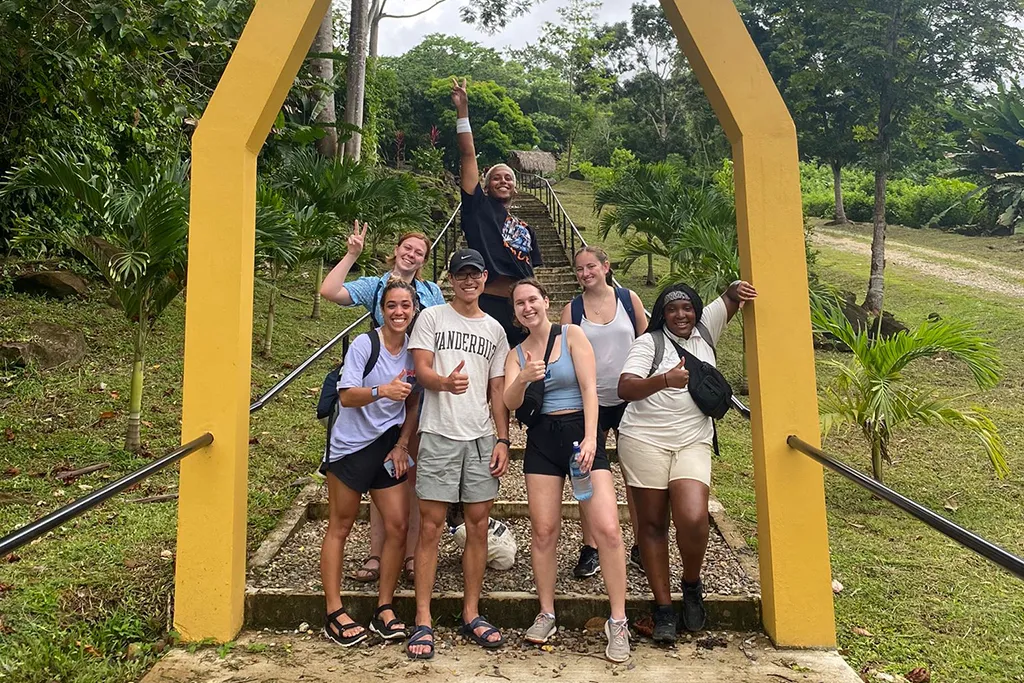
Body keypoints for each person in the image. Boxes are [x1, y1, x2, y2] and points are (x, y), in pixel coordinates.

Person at [616, 280, 757, 643]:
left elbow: (728, 298)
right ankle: (663, 607)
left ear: (696, 310)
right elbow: (625, 387)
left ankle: (691, 584)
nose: (681, 315)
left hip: (692, 441)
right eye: (672, 309)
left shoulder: (705, 330)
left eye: (687, 308)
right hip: (644, 440)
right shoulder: (649, 343)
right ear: (661, 313)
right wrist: (664, 379)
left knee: (693, 516)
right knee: (652, 525)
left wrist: (736, 288)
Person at [504, 278, 631, 663]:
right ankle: (546, 611)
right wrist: (524, 378)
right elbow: (510, 402)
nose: (528, 307)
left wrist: (593, 438)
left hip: (581, 436)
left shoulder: (572, 334)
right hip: (542, 441)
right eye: (520, 303)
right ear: (515, 313)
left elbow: (591, 389)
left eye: (532, 299)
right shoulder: (516, 353)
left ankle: (619, 620)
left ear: (545, 301)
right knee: (543, 531)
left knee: (607, 528)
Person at [320, 221, 445, 587]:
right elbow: (329, 290)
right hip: (379, 386)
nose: (411, 255)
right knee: (381, 479)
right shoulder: (376, 285)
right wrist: (352, 254)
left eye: (419, 252)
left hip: (414, 385)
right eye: (407, 248)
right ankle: (378, 553)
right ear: (397, 250)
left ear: (423, 260)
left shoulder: (432, 291)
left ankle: (409, 553)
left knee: (409, 473)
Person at [406, 248, 512, 660]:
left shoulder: (496, 330)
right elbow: (421, 370)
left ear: (485, 278)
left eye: (475, 274)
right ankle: (423, 618)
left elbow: (498, 389)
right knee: (431, 526)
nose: (469, 281)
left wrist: (502, 438)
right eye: (461, 275)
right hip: (439, 432)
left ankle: (471, 611)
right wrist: (443, 384)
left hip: (481, 435)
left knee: (479, 524)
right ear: (451, 279)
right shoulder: (431, 318)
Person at [319, 280, 422, 647]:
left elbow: (412, 403)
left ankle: (384, 606)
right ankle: (334, 610)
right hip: (350, 448)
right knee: (340, 525)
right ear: (382, 308)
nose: (398, 312)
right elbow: (346, 396)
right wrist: (382, 391)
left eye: (405, 306)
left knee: (397, 525)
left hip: (386, 446)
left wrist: (402, 444)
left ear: (414, 310)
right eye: (392, 305)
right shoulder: (367, 344)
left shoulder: (414, 351)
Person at [559, 245, 648, 580]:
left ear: (605, 266)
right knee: (587, 477)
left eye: (591, 267)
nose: (585, 274)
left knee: (636, 475)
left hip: (630, 400)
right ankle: (590, 546)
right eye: (580, 269)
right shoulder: (573, 309)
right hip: (589, 403)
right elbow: (565, 354)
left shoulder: (629, 300)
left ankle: (641, 545)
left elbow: (645, 342)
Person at [451, 77, 543, 348]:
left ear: (515, 188)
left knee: (525, 372)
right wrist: (462, 111)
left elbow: (531, 274)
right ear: (486, 186)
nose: (503, 181)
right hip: (488, 302)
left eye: (509, 178)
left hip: (521, 306)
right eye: (496, 178)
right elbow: (468, 155)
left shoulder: (526, 228)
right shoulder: (478, 208)